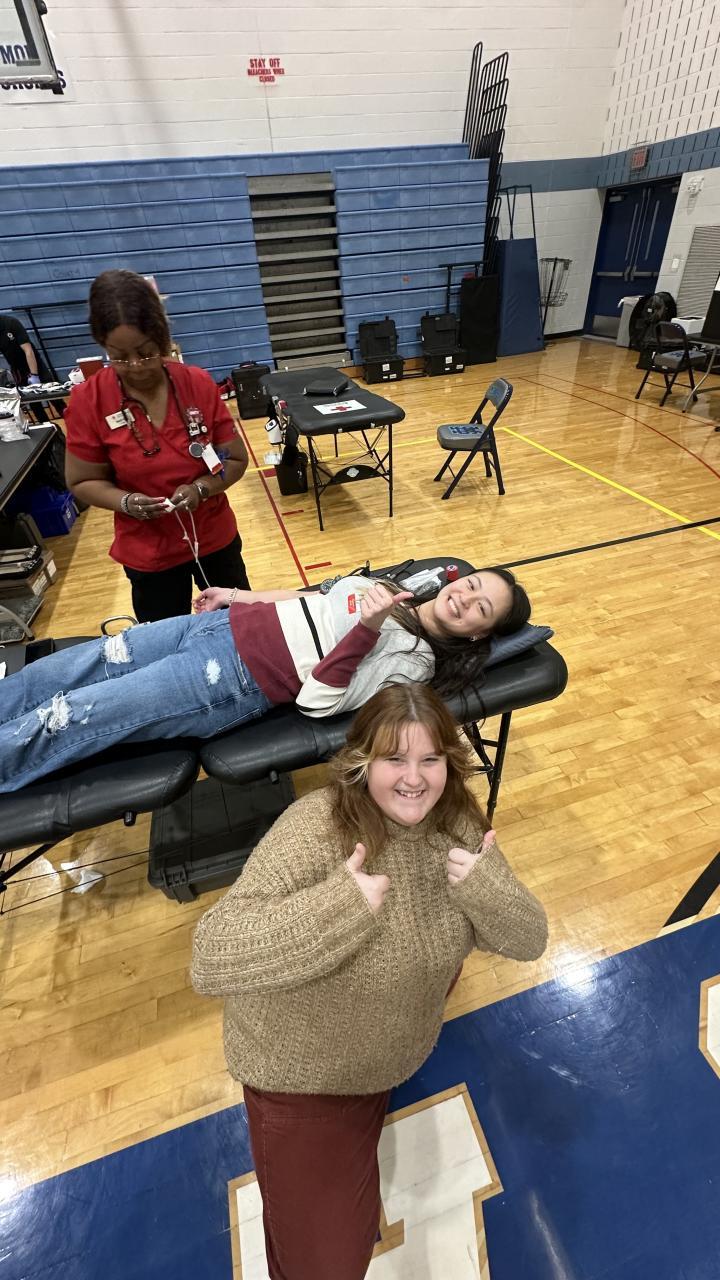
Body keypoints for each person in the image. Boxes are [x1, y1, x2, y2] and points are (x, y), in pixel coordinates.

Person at [191, 682, 548, 1280]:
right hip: (303, 1082)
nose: (414, 779)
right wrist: (337, 909)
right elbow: (210, 957)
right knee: (326, 1265)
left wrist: (486, 890)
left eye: (430, 758)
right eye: (394, 759)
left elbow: (529, 939)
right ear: (362, 762)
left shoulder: (458, 821)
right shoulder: (316, 826)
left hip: (386, 1059)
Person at [0, 567, 530, 792]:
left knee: (71, 716)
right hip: (212, 627)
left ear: (480, 634)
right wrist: (236, 597)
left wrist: (366, 630)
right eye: (472, 585)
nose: (464, 598)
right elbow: (313, 599)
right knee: (65, 668)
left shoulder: (414, 662)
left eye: (480, 607)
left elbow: (319, 702)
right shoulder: (399, 591)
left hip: (229, 678)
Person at [63, 270, 251, 623]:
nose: (135, 366)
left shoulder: (196, 384)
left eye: (146, 353)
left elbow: (234, 458)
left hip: (214, 539)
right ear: (103, 346)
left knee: (239, 625)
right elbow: (82, 480)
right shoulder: (89, 400)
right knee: (166, 638)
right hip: (149, 554)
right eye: (119, 357)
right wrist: (125, 502)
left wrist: (202, 487)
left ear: (162, 339)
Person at [0, 313, 48, 387]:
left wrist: (34, 375)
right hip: (16, 369)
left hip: (34, 365)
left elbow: (28, 350)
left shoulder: (11, 323)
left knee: (49, 390)